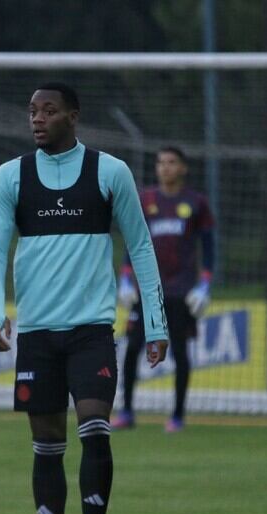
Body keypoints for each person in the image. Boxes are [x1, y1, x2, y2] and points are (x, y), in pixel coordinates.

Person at [0, 82, 168, 514]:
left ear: (73, 116)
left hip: (91, 331)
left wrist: (156, 322)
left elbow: (141, 247)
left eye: (49, 110)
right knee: (46, 445)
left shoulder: (110, 171)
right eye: (32, 111)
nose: (37, 119)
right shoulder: (10, 177)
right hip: (37, 335)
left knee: (95, 428)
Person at [112, 146, 215, 433]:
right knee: (133, 348)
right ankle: (127, 411)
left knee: (180, 351)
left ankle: (178, 415)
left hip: (181, 291)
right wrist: (125, 278)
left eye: (171, 162)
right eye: (160, 163)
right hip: (146, 290)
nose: (165, 167)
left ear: (183, 168)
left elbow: (209, 248)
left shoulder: (196, 203)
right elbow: (132, 242)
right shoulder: (144, 200)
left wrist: (205, 284)